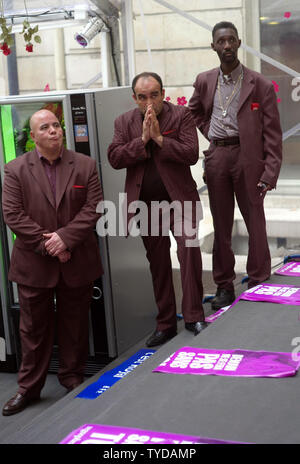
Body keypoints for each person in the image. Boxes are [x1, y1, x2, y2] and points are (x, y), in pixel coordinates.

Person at [2, 109, 103, 416]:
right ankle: (29, 388)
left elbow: (94, 206)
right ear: (33, 137)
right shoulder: (15, 169)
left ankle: (72, 377)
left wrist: (65, 238)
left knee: (74, 325)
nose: (52, 131)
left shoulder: (85, 165)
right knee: (33, 330)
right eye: (44, 128)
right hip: (34, 264)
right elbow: (13, 215)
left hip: (77, 260)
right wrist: (51, 245)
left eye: (55, 126)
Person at [108, 72, 207, 348]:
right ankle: (165, 324)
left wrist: (159, 139)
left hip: (180, 201)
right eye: (142, 97)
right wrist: (142, 141)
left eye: (154, 95)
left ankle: (193, 316)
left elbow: (190, 153)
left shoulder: (182, 116)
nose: (149, 102)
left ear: (163, 93)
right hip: (147, 205)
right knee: (159, 264)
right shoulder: (123, 122)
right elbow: (114, 157)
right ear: (134, 98)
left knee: (189, 255)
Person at [189, 21, 282, 311]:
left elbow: (273, 134)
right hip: (217, 157)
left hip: (248, 158)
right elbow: (194, 112)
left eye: (231, 40)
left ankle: (258, 279)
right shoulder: (205, 81)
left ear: (239, 43)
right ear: (213, 46)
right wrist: (211, 133)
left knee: (255, 220)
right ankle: (224, 285)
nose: (226, 46)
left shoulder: (260, 84)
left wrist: (269, 173)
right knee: (222, 225)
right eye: (221, 41)